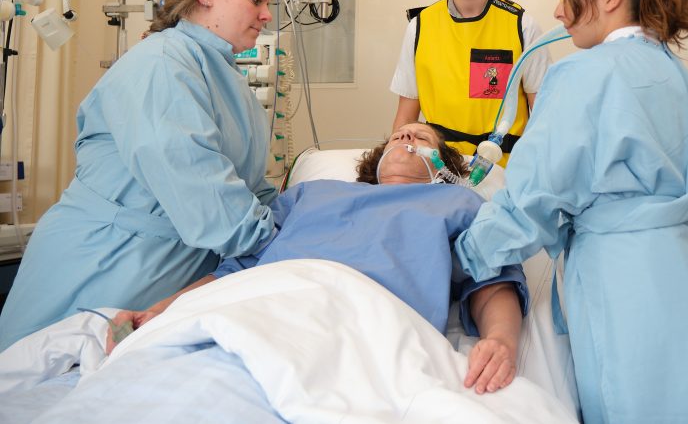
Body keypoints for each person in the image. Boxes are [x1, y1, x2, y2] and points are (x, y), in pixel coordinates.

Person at [455, 0, 688, 423]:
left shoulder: (583, 75)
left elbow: (535, 198)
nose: (558, 11)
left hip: (626, 293)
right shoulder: (676, 75)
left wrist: (466, 252)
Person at [0, 0, 280, 352]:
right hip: (106, 262)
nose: (266, 14)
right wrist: (282, 236)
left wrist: (298, 210)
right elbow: (202, 191)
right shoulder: (161, 64)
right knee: (37, 387)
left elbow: (251, 186)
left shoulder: (227, 78)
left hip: (168, 269)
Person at [108, 123, 527, 395]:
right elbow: (238, 269)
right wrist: (161, 310)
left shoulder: (456, 202)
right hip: (263, 302)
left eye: (419, 138)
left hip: (364, 319)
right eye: (398, 135)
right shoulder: (314, 192)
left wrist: (501, 341)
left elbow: (490, 279)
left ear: (445, 165)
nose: (404, 139)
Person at [390, 0, 550, 163]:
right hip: (438, 168)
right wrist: (390, 167)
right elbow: (405, 119)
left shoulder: (521, 26)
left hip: (503, 171)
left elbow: (545, 119)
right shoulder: (420, 26)